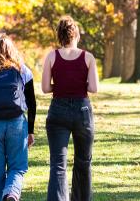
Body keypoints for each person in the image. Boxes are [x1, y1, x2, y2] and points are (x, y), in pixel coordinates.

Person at [41, 16, 99, 201]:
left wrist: (60, 86)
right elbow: (93, 88)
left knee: (58, 164)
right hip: (82, 110)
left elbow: (45, 88)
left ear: (60, 36)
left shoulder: (52, 56)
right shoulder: (87, 57)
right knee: (83, 161)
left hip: (58, 109)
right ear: (77, 35)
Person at [0, 33, 36, 201]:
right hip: (17, 124)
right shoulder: (23, 71)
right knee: (18, 167)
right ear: (12, 51)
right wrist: (30, 131)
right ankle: (11, 193)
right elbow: (32, 104)